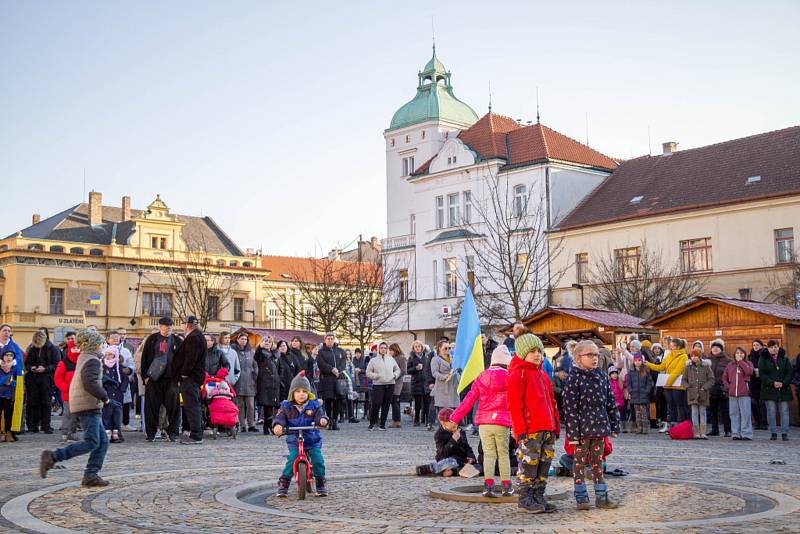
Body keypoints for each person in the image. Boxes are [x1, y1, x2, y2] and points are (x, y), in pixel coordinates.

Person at [39, 329, 111, 487]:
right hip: (88, 404)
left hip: (85, 403)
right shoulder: (91, 359)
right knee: (92, 442)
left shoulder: (85, 357)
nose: (102, 346)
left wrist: (105, 380)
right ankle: (54, 456)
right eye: (100, 344)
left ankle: (91, 475)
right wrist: (105, 397)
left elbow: (88, 378)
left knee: (103, 441)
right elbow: (89, 382)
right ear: (93, 345)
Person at [449, 344, 513, 498]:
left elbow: (468, 400)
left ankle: (488, 486)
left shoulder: (482, 376)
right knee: (503, 454)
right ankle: (506, 486)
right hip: (502, 422)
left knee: (489, 454)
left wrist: (454, 418)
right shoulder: (510, 377)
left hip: (484, 422)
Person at [564, 340, 620, 511]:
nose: (594, 358)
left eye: (596, 354)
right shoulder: (573, 378)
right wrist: (573, 435)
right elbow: (570, 408)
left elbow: (610, 402)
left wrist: (614, 424)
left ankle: (602, 497)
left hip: (599, 429)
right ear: (578, 358)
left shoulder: (602, 376)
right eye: (590, 355)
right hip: (581, 432)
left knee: (598, 463)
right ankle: (581, 498)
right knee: (579, 464)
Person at [509, 334, 560, 514]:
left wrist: (556, 426)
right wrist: (520, 430)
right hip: (530, 431)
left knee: (544, 465)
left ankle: (538, 496)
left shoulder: (543, 375)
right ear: (523, 353)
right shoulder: (518, 374)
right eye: (532, 352)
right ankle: (524, 499)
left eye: (539, 351)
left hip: (547, 429)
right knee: (529, 465)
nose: (537, 355)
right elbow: (515, 405)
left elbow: (552, 402)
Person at [272, 372, 330, 497]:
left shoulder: (314, 405)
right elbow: (280, 417)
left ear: (308, 393)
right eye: (298, 391)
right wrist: (278, 426)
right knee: (292, 459)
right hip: (294, 439)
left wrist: (322, 420)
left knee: (317, 459)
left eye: (304, 391)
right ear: (292, 393)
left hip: (312, 439)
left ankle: (320, 482)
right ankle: (284, 483)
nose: (301, 394)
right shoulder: (286, 406)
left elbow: (321, 414)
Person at [140, 317, 181, 442]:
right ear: (160, 326)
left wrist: (179, 377)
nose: (168, 328)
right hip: (154, 378)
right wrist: (145, 377)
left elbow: (181, 360)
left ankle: (172, 432)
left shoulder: (177, 340)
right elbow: (144, 358)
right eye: (166, 326)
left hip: (171, 379)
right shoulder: (152, 339)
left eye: (170, 326)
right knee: (151, 407)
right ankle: (151, 433)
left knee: (173, 406)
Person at [173, 316, 206, 444]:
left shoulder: (193, 337)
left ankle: (196, 435)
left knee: (192, 405)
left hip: (191, 377)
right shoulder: (198, 336)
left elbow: (190, 357)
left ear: (187, 325)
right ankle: (196, 433)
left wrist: (185, 373)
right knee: (193, 405)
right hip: (195, 376)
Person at [416, 408, 477, 477]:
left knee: (475, 465)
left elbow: (467, 446)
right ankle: (430, 468)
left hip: (461, 459)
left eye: (455, 421)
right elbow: (443, 452)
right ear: (443, 423)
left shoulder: (460, 430)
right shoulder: (439, 434)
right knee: (450, 462)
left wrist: (471, 456)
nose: (455, 424)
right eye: (452, 422)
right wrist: (453, 440)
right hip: (446, 458)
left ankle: (451, 471)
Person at [646, 338, 688, 432]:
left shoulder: (683, 356)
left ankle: (682, 426)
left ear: (678, 346)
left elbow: (677, 372)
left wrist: (666, 383)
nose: (671, 347)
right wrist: (648, 364)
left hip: (678, 386)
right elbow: (661, 367)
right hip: (668, 386)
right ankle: (672, 427)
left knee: (679, 406)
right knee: (670, 406)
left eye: (673, 346)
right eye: (671, 346)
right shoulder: (669, 355)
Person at [25, 329, 60, 434]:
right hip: (33, 379)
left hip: (46, 379)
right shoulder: (32, 348)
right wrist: (31, 368)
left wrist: (45, 369)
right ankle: (34, 425)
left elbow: (57, 364)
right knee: (33, 402)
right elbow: (27, 363)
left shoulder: (52, 348)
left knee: (46, 403)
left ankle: (46, 426)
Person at [759, 340, 793, 441]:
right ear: (768, 348)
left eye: (776, 347)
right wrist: (772, 383)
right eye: (772, 347)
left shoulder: (785, 358)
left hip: (783, 388)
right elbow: (762, 374)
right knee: (771, 411)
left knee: (784, 411)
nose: (774, 348)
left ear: (778, 347)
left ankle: (784, 433)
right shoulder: (763, 358)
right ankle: (773, 432)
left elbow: (789, 373)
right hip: (769, 388)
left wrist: (783, 383)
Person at [365, 341, 400, 430]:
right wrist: (375, 376)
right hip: (378, 385)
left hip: (390, 384)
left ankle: (382, 425)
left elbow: (398, 369)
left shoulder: (391, 359)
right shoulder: (373, 360)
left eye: (385, 348)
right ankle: (372, 423)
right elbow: (368, 372)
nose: (383, 349)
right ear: (378, 349)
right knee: (376, 404)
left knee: (386, 405)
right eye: (381, 348)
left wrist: (395, 375)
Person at [723, 347, 753, 440]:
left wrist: (741, 362)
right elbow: (724, 378)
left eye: (741, 353)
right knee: (734, 414)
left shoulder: (748, 363)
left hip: (744, 393)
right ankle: (735, 433)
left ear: (744, 354)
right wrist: (729, 387)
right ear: (734, 355)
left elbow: (749, 371)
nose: (739, 355)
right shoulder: (730, 365)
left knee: (745, 414)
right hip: (732, 394)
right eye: (737, 353)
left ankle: (746, 434)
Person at [683, 347, 714, 439]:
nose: (694, 358)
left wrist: (705, 387)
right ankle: (696, 432)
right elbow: (684, 380)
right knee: (694, 413)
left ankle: (703, 432)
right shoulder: (688, 367)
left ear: (699, 357)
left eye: (696, 356)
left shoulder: (706, 367)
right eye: (692, 356)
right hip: (692, 394)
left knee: (703, 412)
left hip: (703, 393)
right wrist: (688, 387)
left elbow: (711, 379)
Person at [54, 339, 81, 442]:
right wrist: (67, 388)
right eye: (74, 348)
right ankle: (66, 433)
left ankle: (73, 432)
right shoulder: (64, 362)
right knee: (69, 414)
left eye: (78, 348)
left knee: (77, 414)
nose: (76, 350)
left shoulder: (82, 361)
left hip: (80, 393)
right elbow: (58, 378)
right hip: (68, 394)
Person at [101, 345, 128, 443]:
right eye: (106, 355)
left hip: (117, 395)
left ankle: (116, 434)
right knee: (106, 414)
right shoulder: (102, 367)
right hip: (106, 394)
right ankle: (107, 433)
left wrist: (122, 389)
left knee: (117, 415)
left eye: (110, 355)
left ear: (115, 355)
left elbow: (125, 379)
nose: (108, 357)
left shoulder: (120, 367)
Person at [316, 334, 344, 431]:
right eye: (328, 339)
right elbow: (321, 363)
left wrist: (338, 370)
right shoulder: (321, 351)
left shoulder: (339, 351)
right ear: (325, 340)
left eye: (332, 339)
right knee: (328, 400)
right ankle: (330, 420)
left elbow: (343, 362)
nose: (330, 340)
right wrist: (331, 369)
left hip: (337, 379)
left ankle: (335, 420)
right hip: (327, 379)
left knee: (337, 401)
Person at [231, 332, 258, 433]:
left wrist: (255, 375)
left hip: (250, 381)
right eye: (241, 339)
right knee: (240, 405)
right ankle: (242, 424)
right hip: (238, 381)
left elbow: (255, 365)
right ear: (237, 340)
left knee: (251, 405)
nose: (243, 341)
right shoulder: (234, 351)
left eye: (245, 339)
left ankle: (251, 424)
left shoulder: (251, 351)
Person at [254, 337, 281, 435]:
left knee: (272, 406)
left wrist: (279, 379)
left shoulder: (276, 355)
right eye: (265, 341)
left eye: (269, 342)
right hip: (264, 383)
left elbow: (279, 368)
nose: (267, 343)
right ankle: (268, 426)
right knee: (267, 406)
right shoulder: (261, 354)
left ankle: (268, 426)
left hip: (274, 383)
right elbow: (256, 357)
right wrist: (260, 348)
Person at [430, 340, 460, 428]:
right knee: (443, 413)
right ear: (440, 348)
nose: (448, 350)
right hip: (443, 388)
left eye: (449, 348)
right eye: (445, 348)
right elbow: (434, 373)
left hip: (453, 387)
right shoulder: (435, 359)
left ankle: (452, 430)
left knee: (453, 412)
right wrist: (445, 377)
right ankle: (442, 432)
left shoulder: (453, 358)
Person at [707, 338, 732, 437]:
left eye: (717, 347)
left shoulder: (728, 360)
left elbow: (730, 375)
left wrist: (727, 387)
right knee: (713, 411)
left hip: (722, 388)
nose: (715, 349)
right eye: (713, 347)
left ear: (721, 349)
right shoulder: (707, 360)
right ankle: (715, 430)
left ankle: (727, 430)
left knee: (725, 411)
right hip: (711, 388)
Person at [627, 355, 653, 434]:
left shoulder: (646, 370)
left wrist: (647, 391)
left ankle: (645, 428)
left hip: (643, 394)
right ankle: (639, 428)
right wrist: (630, 391)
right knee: (637, 413)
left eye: (639, 360)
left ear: (642, 361)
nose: (637, 362)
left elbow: (650, 382)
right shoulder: (631, 372)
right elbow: (629, 383)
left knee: (644, 413)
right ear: (634, 362)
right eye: (636, 360)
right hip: (634, 394)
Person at [407, 341, 427, 427]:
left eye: (419, 346)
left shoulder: (426, 357)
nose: (418, 348)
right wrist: (415, 368)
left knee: (426, 403)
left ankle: (426, 420)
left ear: (422, 347)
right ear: (413, 348)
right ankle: (416, 420)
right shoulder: (411, 358)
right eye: (416, 346)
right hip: (416, 383)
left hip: (425, 383)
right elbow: (408, 370)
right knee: (418, 403)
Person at [748, 340, 767, 430]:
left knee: (762, 402)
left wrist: (760, 370)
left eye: (757, 345)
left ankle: (764, 422)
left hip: (762, 381)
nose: (755, 346)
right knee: (754, 402)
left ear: (761, 346)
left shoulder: (765, 355)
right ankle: (757, 422)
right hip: (753, 381)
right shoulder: (750, 356)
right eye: (754, 345)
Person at [0, 350, 18, 442]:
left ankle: (8, 433)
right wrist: (5, 379)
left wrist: (12, 382)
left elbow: (18, 381)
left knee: (9, 416)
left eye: (11, 355)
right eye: (6, 355)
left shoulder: (14, 368)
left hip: (9, 396)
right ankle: (1, 433)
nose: (8, 357)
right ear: (2, 357)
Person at [389, 343, 407, 428]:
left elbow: (403, 371)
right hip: (391, 382)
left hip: (397, 383)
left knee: (394, 401)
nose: (390, 352)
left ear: (395, 350)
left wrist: (395, 376)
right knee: (394, 402)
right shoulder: (391, 358)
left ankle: (396, 421)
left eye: (391, 350)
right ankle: (395, 420)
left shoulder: (402, 358)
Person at [607, 366, 627, 432]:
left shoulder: (620, 381)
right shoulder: (609, 383)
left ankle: (623, 427)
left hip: (621, 401)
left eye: (615, 373)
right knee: (614, 415)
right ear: (610, 375)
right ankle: (614, 427)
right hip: (613, 402)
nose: (614, 375)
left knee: (622, 415)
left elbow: (625, 388)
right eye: (612, 373)